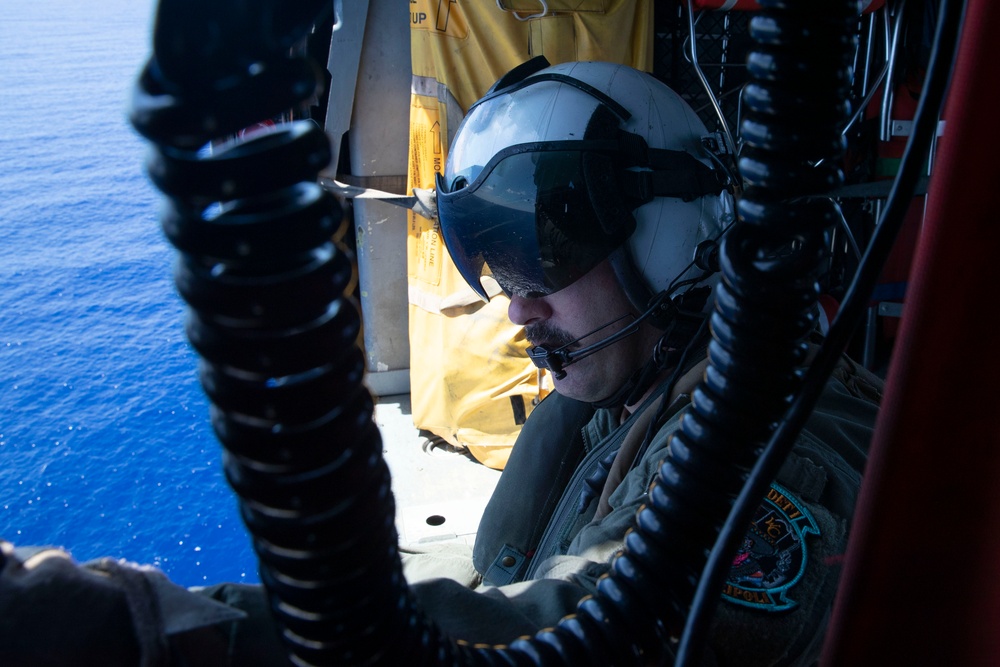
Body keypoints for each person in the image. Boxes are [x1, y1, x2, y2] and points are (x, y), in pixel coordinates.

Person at [0, 60, 882, 666]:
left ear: (666, 236)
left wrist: (168, 636)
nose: (516, 304)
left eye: (542, 255)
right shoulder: (636, 383)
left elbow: (592, 635)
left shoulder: (776, 454)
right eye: (497, 268)